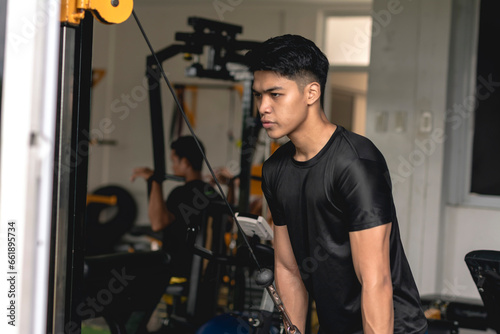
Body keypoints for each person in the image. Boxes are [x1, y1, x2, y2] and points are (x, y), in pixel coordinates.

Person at [244, 35, 428, 334]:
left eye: (275, 94)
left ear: (311, 93)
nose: (263, 107)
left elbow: (376, 280)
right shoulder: (275, 170)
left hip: (391, 327)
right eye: (258, 95)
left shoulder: (355, 162)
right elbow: (289, 270)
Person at [131, 135, 222, 278]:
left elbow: (157, 223)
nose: (172, 166)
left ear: (185, 162)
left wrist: (154, 181)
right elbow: (229, 223)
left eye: (174, 161)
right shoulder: (210, 192)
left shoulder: (180, 193)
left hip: (176, 271)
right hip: (205, 275)